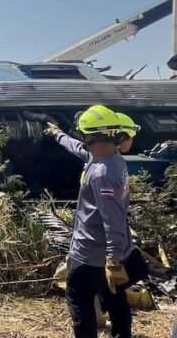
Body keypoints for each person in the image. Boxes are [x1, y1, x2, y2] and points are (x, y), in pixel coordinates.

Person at [46, 105, 133, 338]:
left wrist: (113, 261)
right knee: (116, 303)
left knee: (81, 307)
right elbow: (79, 150)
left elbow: (111, 218)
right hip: (106, 256)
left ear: (91, 136)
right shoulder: (111, 159)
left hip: (91, 256)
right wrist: (58, 135)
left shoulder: (102, 173)